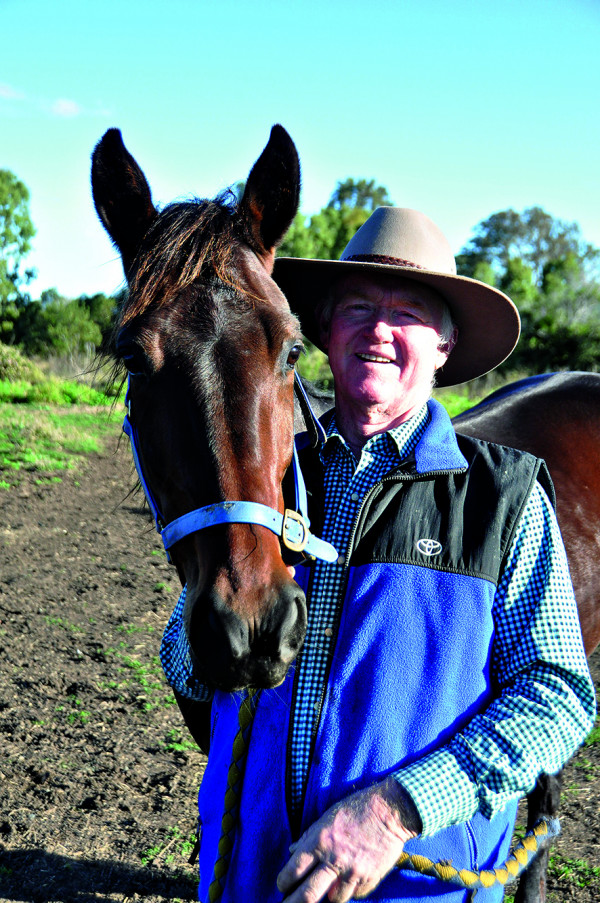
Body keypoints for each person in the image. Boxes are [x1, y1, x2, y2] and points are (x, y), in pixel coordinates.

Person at [160, 207, 596, 903]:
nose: (380, 330)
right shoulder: (265, 483)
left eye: (409, 313)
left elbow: (558, 697)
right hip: (251, 877)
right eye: (358, 307)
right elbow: (186, 662)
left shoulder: (502, 498)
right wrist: (200, 627)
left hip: (415, 888)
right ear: (325, 330)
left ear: (445, 344)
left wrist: (396, 811)